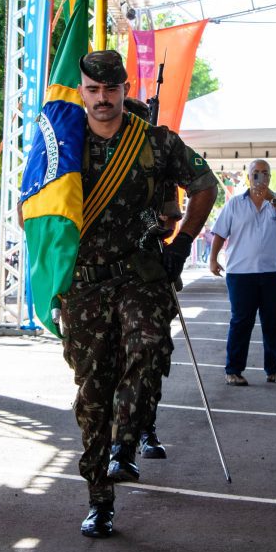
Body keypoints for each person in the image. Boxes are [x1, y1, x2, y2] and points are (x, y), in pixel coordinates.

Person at [61, 50, 218, 538]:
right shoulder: (63, 140)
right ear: (82, 90)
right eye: (93, 90)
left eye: (111, 90)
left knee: (148, 346)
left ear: (124, 90)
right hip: (84, 283)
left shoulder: (153, 141)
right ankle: (99, 500)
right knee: (92, 393)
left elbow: (205, 185)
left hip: (141, 274)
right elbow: (37, 203)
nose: (103, 99)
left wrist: (184, 243)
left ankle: (125, 445)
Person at [122, 95, 180, 461]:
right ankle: (120, 433)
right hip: (104, 274)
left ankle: (146, 427)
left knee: (151, 356)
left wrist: (157, 225)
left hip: (148, 270)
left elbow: (171, 217)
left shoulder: (160, 167)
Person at [208, 160, 276, 386]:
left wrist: (272, 197)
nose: (260, 178)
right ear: (247, 177)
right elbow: (219, 234)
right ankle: (233, 370)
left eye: (265, 173)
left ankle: (274, 369)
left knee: (273, 322)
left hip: (274, 273)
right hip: (241, 274)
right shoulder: (234, 204)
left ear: (271, 177)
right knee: (241, 322)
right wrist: (213, 259)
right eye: (256, 173)